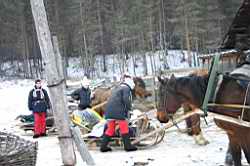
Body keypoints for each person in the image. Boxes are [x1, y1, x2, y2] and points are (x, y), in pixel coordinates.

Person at [100, 74, 137, 152]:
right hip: (118, 112)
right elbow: (126, 100)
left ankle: (103, 147)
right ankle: (128, 146)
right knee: (124, 127)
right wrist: (129, 108)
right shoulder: (126, 89)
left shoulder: (118, 88)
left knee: (110, 129)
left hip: (109, 112)